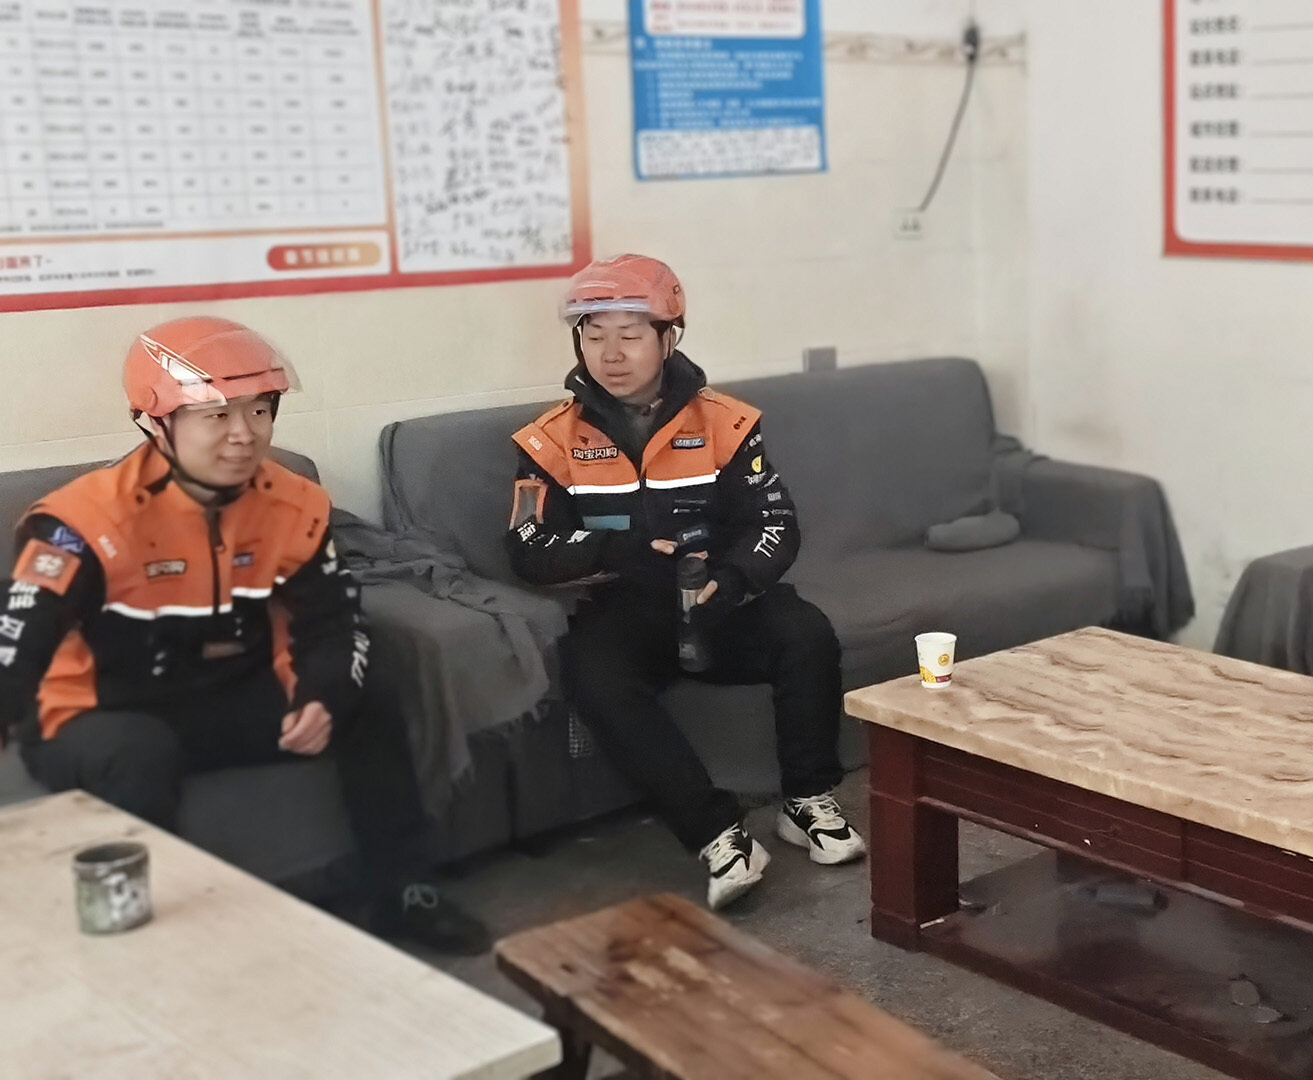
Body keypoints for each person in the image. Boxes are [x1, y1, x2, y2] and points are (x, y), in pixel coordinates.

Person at [0, 317, 490, 954]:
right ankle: (149, 945)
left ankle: (403, 893)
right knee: (137, 749)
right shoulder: (80, 521)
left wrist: (323, 693)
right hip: (96, 711)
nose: (244, 433)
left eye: (259, 410)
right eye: (216, 415)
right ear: (155, 423)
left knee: (370, 687)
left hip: (224, 696)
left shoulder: (295, 504)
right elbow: (19, 646)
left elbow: (332, 619)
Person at [506, 254, 863, 910]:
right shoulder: (546, 442)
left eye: (630, 334)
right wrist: (619, 550)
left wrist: (733, 578)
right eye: (594, 335)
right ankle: (719, 835)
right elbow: (528, 549)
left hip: (721, 598)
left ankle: (806, 798)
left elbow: (775, 523)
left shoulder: (728, 423)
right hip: (627, 609)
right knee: (594, 676)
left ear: (669, 338)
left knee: (806, 633)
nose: (611, 354)